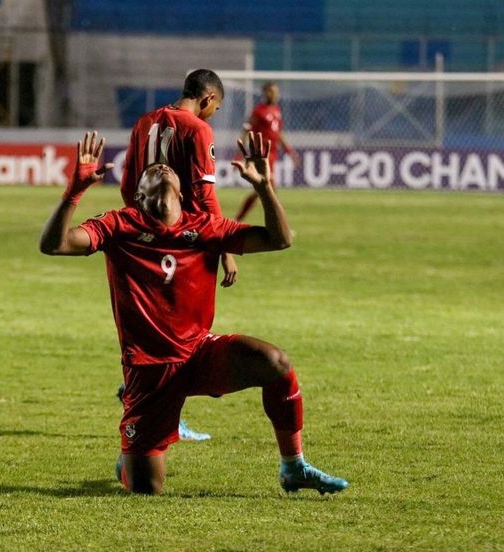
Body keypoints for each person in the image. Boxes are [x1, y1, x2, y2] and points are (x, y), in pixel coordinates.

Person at [40, 131, 349, 496]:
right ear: (139, 196)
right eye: (151, 170)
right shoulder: (119, 225)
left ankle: (293, 466)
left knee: (275, 362)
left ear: (183, 194)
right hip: (149, 371)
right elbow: (55, 244)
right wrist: (74, 192)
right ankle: (130, 461)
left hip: (199, 353)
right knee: (145, 489)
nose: (161, 167)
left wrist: (265, 187)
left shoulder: (203, 227)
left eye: (167, 168)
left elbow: (280, 240)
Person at [118, 68, 238, 440]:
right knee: (187, 330)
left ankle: (145, 398)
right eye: (214, 108)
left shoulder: (145, 123)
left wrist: (145, 230)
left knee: (150, 324)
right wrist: (225, 249)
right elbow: (204, 198)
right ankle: (166, 411)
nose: (212, 115)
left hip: (143, 241)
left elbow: (127, 186)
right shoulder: (198, 130)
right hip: (187, 244)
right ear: (207, 99)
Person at [235, 81, 300, 221]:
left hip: (272, 154)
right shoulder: (258, 111)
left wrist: (290, 151)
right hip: (261, 155)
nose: (275, 94)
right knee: (268, 189)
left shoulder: (276, 110)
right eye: (271, 91)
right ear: (265, 93)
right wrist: (240, 153)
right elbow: (246, 129)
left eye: (276, 91)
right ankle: (277, 225)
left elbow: (279, 133)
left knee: (263, 191)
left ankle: (238, 220)